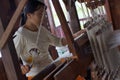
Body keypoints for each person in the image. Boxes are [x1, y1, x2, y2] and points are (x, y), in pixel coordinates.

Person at [13, 0, 85, 79]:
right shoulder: (20, 35)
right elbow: (13, 60)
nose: (43, 17)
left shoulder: (42, 30)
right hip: (36, 76)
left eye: (43, 14)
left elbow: (59, 42)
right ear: (29, 15)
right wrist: (21, 67)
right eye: (40, 14)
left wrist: (76, 35)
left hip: (51, 68)